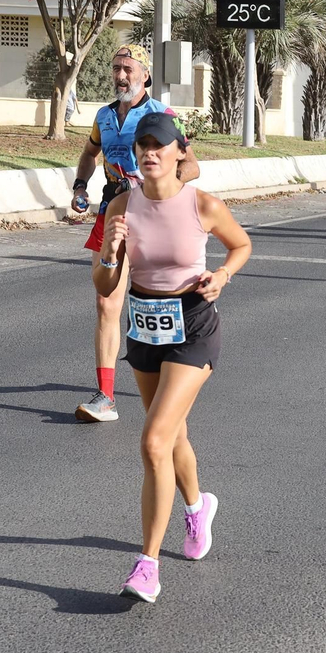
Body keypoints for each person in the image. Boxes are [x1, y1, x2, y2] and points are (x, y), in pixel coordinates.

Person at [94, 112, 252, 604]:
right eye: (142, 145)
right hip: (145, 325)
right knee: (173, 434)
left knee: (154, 440)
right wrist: (110, 253)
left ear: (180, 150)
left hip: (194, 325)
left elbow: (241, 244)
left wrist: (222, 276)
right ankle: (197, 505)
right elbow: (103, 287)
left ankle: (147, 565)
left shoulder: (202, 205)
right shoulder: (122, 205)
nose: (149, 152)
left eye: (159, 144)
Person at [71, 45, 201, 423]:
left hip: (152, 213)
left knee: (158, 297)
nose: (120, 75)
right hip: (112, 211)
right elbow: (89, 154)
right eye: (116, 69)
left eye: (128, 68)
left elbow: (191, 165)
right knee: (106, 300)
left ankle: (173, 370)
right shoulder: (104, 115)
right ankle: (106, 397)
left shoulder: (161, 114)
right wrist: (80, 186)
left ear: (144, 74)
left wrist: (157, 187)